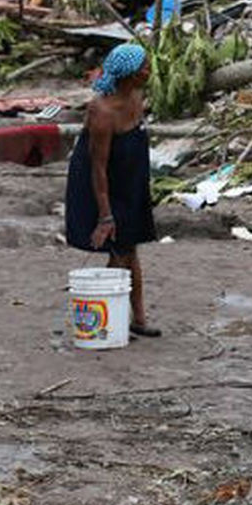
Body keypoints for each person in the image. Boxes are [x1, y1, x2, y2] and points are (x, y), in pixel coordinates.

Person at [65, 43, 160, 337]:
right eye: (144, 67)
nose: (149, 71)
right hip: (102, 183)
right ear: (130, 74)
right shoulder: (102, 111)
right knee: (120, 248)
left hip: (130, 179)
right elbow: (97, 166)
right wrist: (105, 215)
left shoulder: (136, 96)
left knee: (130, 246)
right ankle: (101, 316)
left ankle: (138, 319)